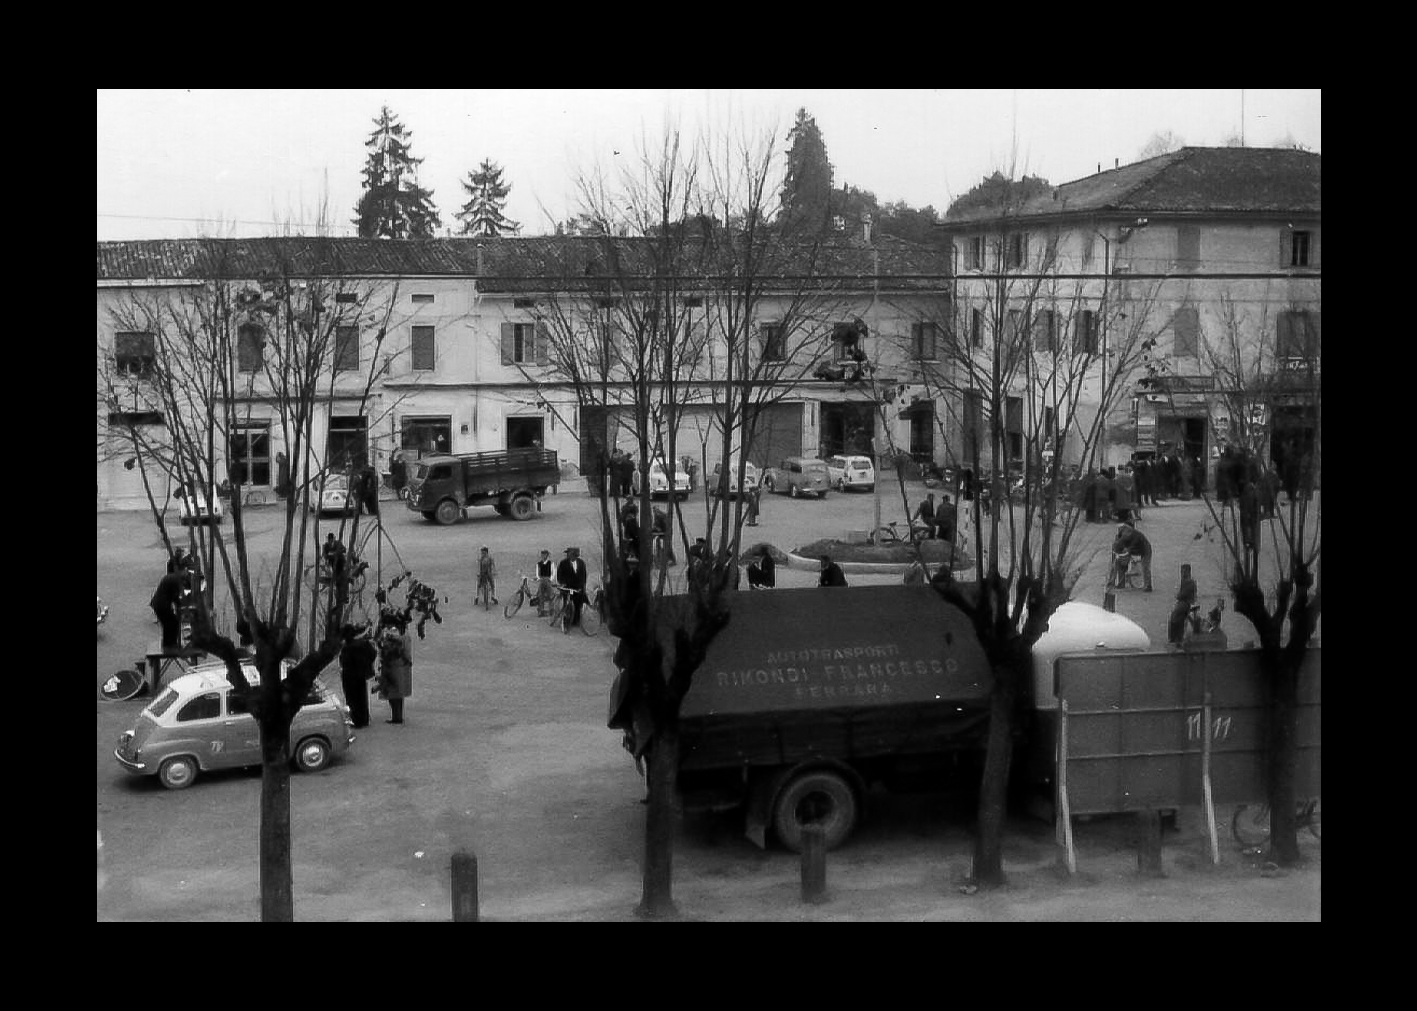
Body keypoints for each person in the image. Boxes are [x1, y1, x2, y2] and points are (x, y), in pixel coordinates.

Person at [338, 624, 376, 728]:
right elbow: (373, 653)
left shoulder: (347, 647)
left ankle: (356, 720)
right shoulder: (363, 643)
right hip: (361, 674)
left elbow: (344, 661)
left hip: (349, 675)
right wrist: (367, 664)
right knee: (362, 696)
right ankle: (364, 719)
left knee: (352, 698)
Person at [375, 623, 413, 725]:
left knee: (394, 692)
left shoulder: (398, 636)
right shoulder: (404, 635)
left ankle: (397, 717)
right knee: (397, 692)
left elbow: (404, 651)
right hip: (397, 666)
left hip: (393, 666)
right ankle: (397, 715)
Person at [150, 568, 187, 650]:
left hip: (158, 604)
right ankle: (171, 645)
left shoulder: (172, 577)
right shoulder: (176, 580)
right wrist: (180, 605)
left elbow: (173, 595)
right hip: (162, 605)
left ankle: (168, 644)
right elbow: (175, 597)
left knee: (168, 624)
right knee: (173, 623)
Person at [1111, 522, 1153, 592]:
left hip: (1145, 549)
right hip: (1135, 548)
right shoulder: (1124, 532)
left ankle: (1148, 586)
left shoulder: (1134, 537)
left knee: (1145, 567)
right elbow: (1118, 541)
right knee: (1122, 563)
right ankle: (1121, 583)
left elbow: (1128, 549)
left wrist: (1122, 553)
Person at [556, 546, 589, 627]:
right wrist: (562, 583)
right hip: (567, 586)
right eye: (568, 554)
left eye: (569, 554)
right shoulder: (563, 563)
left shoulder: (581, 563)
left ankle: (576, 620)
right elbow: (559, 575)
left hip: (578, 587)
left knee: (579, 602)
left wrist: (581, 586)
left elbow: (583, 576)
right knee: (567, 601)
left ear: (575, 555)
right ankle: (565, 618)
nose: (568, 555)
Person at [1168, 564, 1199, 645]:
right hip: (1184, 602)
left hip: (1185, 603)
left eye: (1184, 571)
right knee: (1176, 616)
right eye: (1181, 571)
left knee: (1175, 616)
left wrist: (1178, 595)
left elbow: (1181, 595)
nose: (1182, 573)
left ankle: (1174, 637)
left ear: (1188, 572)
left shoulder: (1189, 582)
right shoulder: (1187, 581)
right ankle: (1175, 637)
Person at [535, 548, 555, 616]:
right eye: (542, 555)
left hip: (548, 580)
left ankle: (551, 610)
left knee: (551, 595)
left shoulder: (551, 563)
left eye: (545, 554)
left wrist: (551, 579)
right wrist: (538, 578)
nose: (543, 556)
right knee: (540, 596)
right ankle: (541, 610)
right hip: (542, 580)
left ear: (547, 555)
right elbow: (537, 573)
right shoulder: (539, 564)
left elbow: (553, 572)